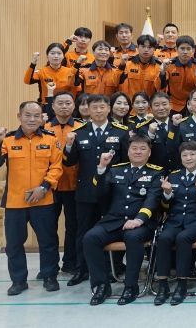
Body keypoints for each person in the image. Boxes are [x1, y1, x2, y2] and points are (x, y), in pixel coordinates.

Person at [0, 101, 63, 296]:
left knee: (48, 241)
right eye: (27, 115)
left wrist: (43, 187)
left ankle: (50, 277)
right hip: (15, 202)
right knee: (14, 244)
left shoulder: (50, 139)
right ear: (19, 117)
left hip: (43, 200)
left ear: (42, 118)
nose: (32, 119)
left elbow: (56, 167)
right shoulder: (7, 140)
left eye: (36, 116)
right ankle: (18, 280)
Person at [83, 135, 162, 305]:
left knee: (133, 237)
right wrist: (102, 168)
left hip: (141, 223)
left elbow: (152, 200)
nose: (138, 152)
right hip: (114, 220)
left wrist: (139, 220)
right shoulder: (115, 170)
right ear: (128, 151)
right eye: (134, 148)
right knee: (90, 238)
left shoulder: (156, 173)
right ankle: (102, 286)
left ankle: (130, 286)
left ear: (149, 153)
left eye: (143, 148)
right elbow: (100, 194)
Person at [62, 94, 130, 287]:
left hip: (113, 192)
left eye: (102, 107)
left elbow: (126, 163)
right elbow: (69, 162)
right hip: (86, 191)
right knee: (83, 231)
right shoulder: (79, 133)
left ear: (109, 109)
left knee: (113, 230)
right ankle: (82, 269)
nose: (98, 111)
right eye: (94, 107)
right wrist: (68, 146)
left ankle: (113, 268)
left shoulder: (121, 132)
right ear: (87, 110)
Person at [153, 141, 196, 306]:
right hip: (175, 221)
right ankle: (163, 285)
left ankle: (181, 285)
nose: (188, 158)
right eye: (185, 155)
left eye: (192, 154)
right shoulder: (174, 175)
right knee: (163, 238)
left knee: (183, 238)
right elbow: (165, 207)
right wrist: (167, 194)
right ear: (180, 157)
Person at [45, 91, 84, 275]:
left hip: (74, 185)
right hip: (50, 187)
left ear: (74, 106)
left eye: (68, 103)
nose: (64, 107)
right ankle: (50, 266)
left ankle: (70, 263)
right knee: (48, 228)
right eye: (60, 103)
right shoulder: (44, 127)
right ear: (53, 106)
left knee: (73, 227)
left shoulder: (81, 127)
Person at [167, 87, 196, 170]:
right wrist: (174, 127)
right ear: (189, 103)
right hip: (188, 172)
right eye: (195, 100)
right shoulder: (181, 124)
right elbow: (171, 147)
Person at [155, 35, 196, 115]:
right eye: (182, 48)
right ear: (176, 49)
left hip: (194, 104)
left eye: (188, 49)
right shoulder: (169, 65)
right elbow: (160, 87)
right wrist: (162, 72)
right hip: (173, 104)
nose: (185, 52)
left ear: (193, 50)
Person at [136, 91, 173, 172]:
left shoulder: (178, 125)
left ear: (170, 106)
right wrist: (150, 134)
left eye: (164, 104)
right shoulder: (143, 127)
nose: (161, 108)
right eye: (156, 105)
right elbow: (141, 151)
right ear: (150, 108)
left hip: (177, 173)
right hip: (154, 174)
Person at [118, 34, 162, 99]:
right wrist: (121, 66)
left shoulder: (159, 66)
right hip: (132, 102)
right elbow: (118, 81)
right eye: (143, 46)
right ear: (138, 48)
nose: (146, 50)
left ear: (154, 49)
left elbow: (161, 88)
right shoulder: (128, 63)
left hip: (149, 102)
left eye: (149, 47)